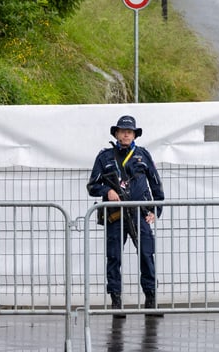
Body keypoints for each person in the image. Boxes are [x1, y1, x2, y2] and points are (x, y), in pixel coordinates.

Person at [87, 115, 165, 317]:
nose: (126, 134)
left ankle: (151, 300)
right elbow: (92, 185)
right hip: (116, 216)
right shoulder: (104, 157)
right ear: (116, 133)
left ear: (134, 135)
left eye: (129, 131)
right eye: (122, 131)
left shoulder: (143, 155)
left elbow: (156, 185)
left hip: (140, 213)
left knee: (147, 255)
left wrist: (155, 211)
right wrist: (107, 191)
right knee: (114, 257)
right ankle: (116, 302)